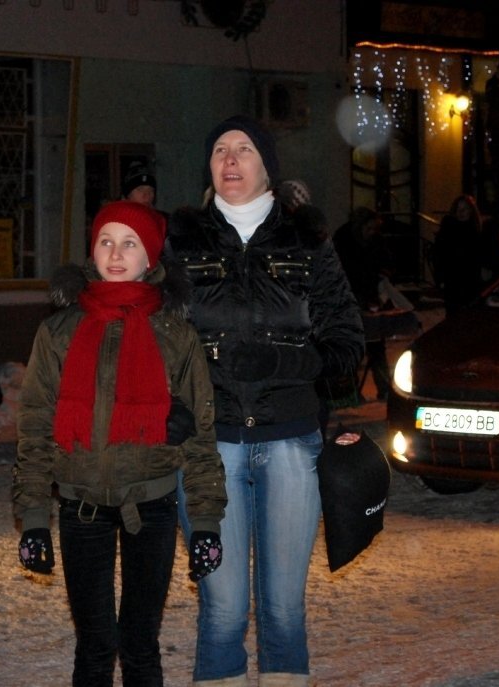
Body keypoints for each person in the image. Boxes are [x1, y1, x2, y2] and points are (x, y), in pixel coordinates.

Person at [165, 115, 364, 686]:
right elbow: (154, 339)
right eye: (219, 150)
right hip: (208, 448)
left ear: (267, 167)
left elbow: (347, 341)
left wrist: (284, 363)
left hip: (290, 443)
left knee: (282, 608)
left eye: (244, 149)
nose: (230, 159)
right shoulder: (181, 243)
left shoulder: (308, 241)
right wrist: (170, 404)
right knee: (223, 608)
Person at [13, 200, 228, 687]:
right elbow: (35, 427)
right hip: (81, 507)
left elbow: (200, 436)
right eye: (105, 241)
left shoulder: (176, 335)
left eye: (129, 243)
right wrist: (34, 518)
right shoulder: (59, 331)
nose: (115, 254)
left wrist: (206, 523)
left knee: (140, 644)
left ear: (150, 257)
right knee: (94, 645)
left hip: (152, 507)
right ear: (91, 250)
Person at [333, 206, 398, 400]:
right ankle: (351, 390)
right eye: (368, 228)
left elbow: (386, 261)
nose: (371, 232)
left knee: (376, 344)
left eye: (374, 229)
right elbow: (341, 269)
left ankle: (384, 388)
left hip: (371, 296)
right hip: (349, 297)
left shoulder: (376, 240)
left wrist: (384, 275)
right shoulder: (344, 239)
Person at [433, 194, 484, 314]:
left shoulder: (475, 231)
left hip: (471, 280)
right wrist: (441, 278)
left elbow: (478, 256)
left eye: (464, 209)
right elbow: (440, 254)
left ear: (471, 211)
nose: (460, 213)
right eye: (458, 209)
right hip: (453, 280)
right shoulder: (449, 228)